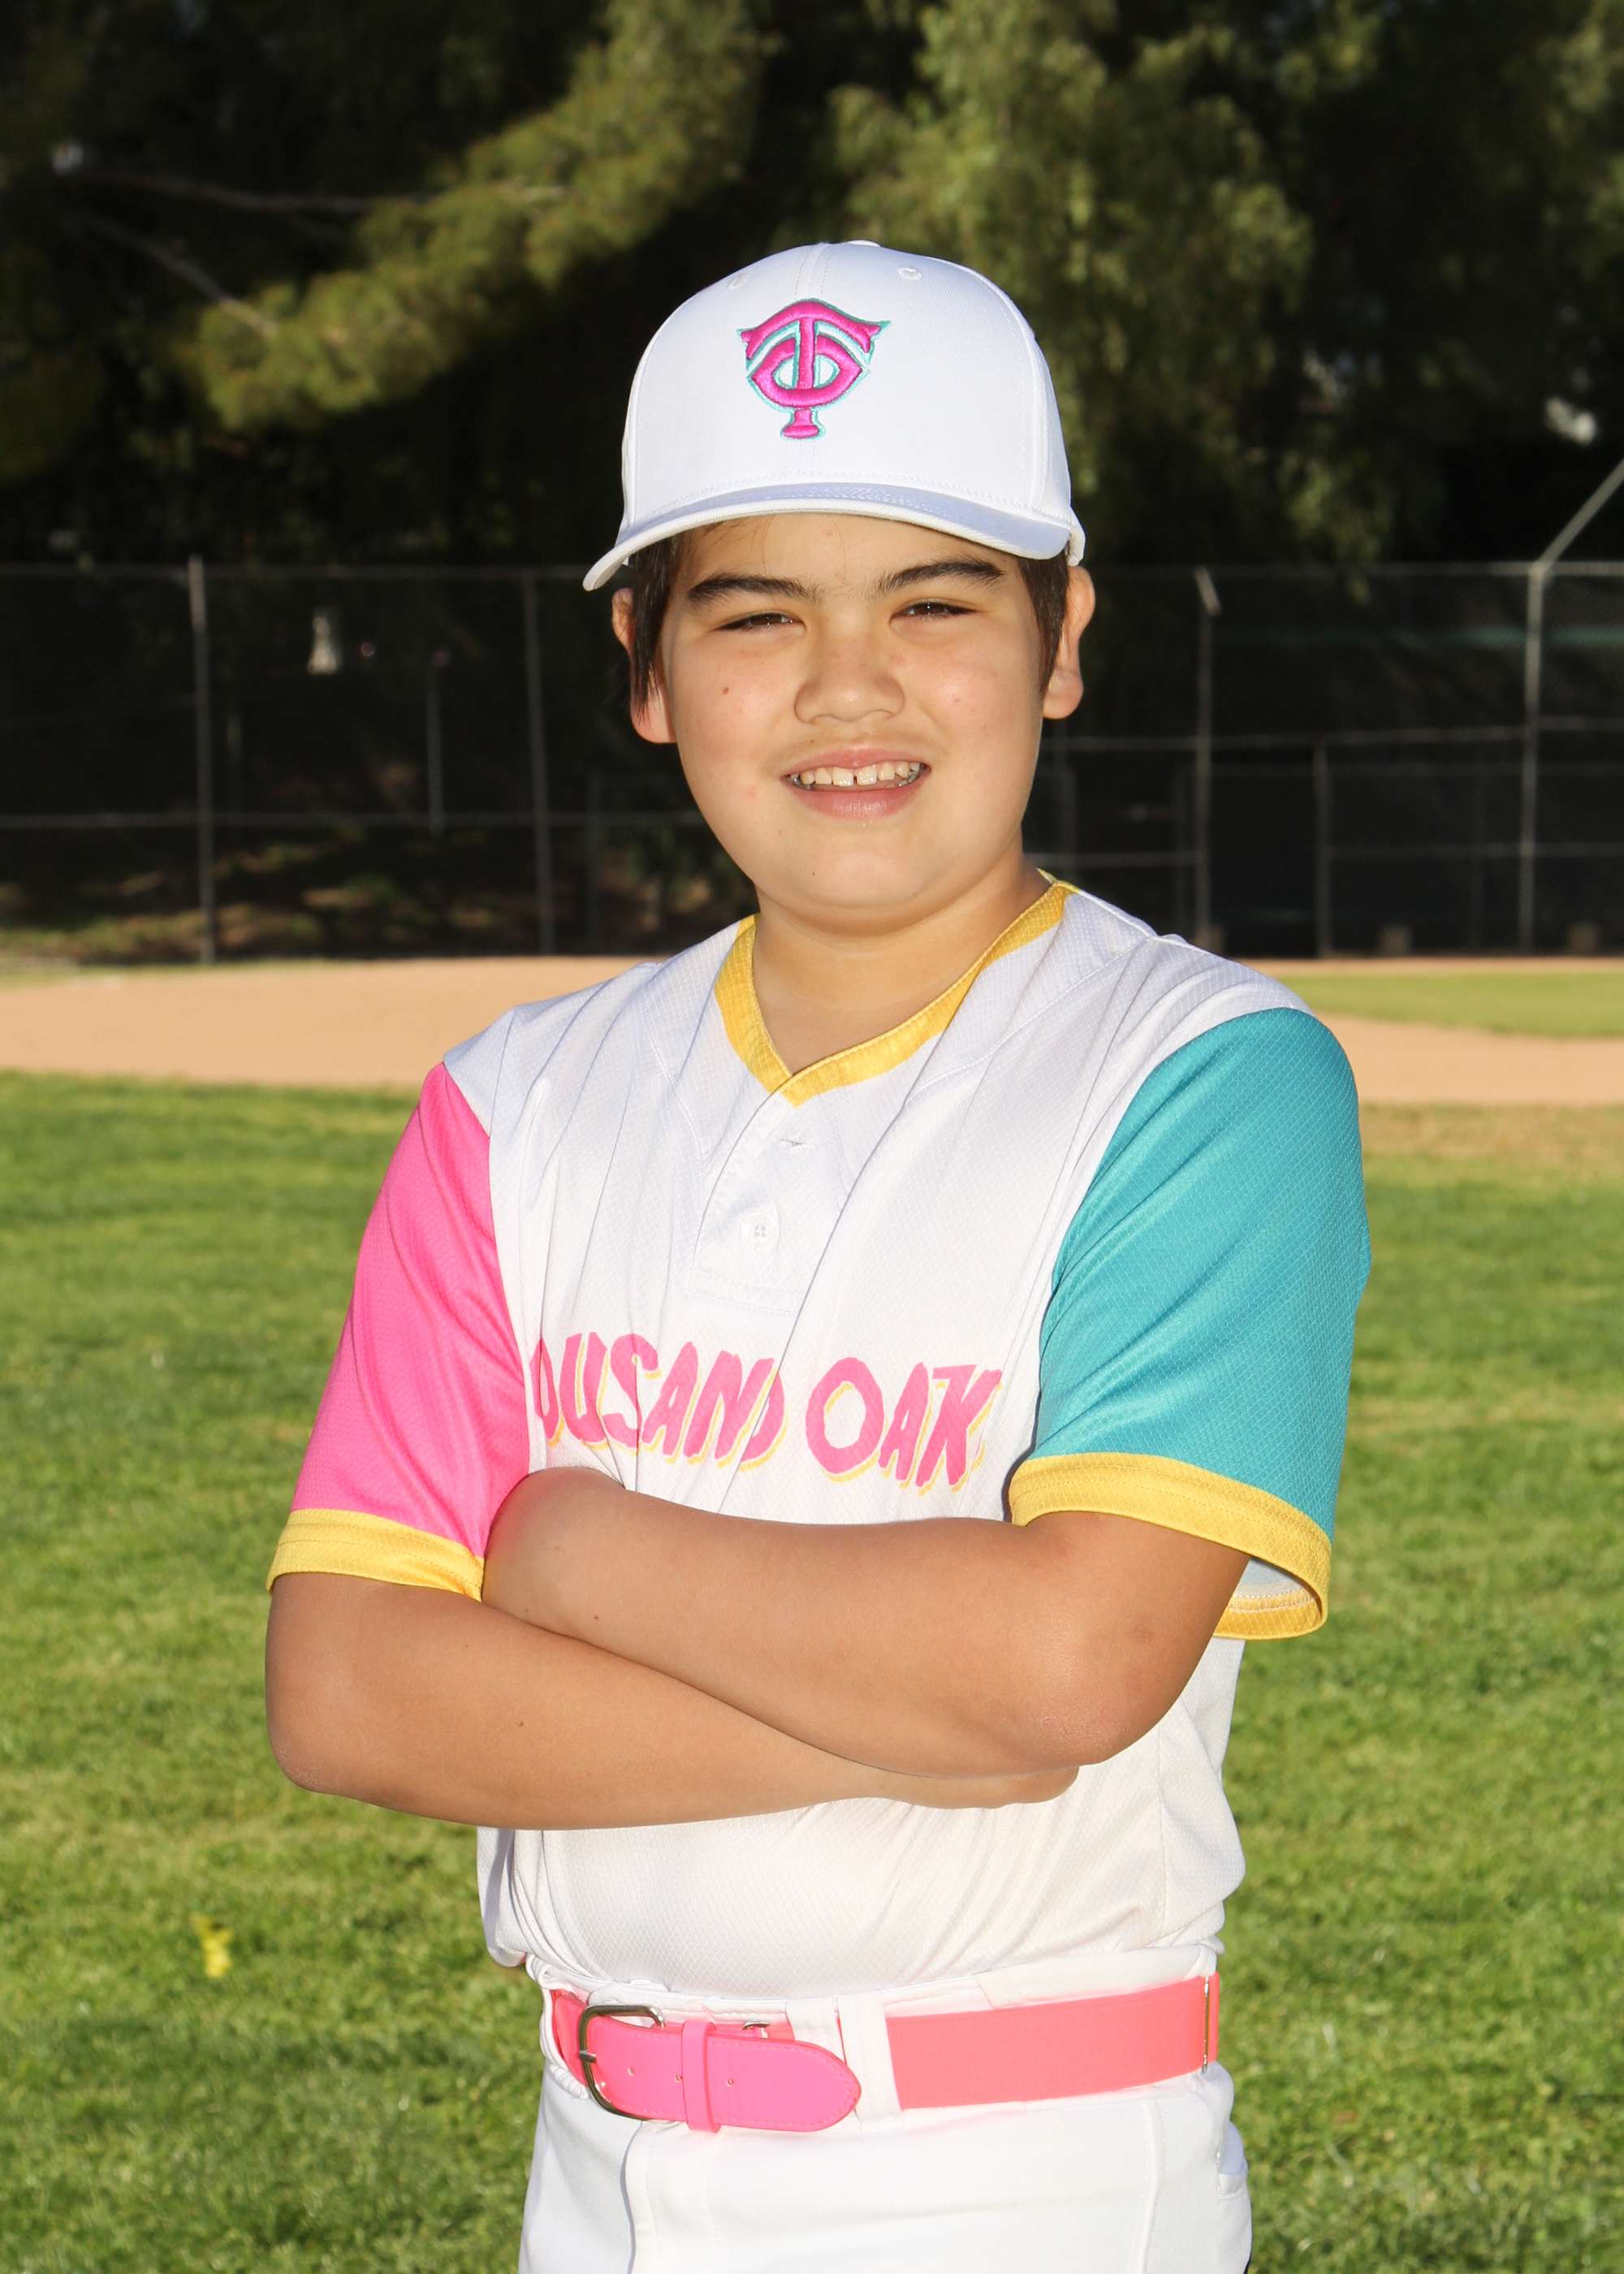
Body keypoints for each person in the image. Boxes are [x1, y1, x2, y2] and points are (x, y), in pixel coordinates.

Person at [264, 240, 1369, 2272]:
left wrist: (569, 1546)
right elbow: (347, 1684)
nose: (848, 687)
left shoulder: (1203, 1076)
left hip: (1015, 2167)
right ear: (644, 663)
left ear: (1061, 636)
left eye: (934, 603)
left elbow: (1066, 1660)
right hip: (590, 2167)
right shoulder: (514, 1103)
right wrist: (930, 1718)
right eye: (756, 611)